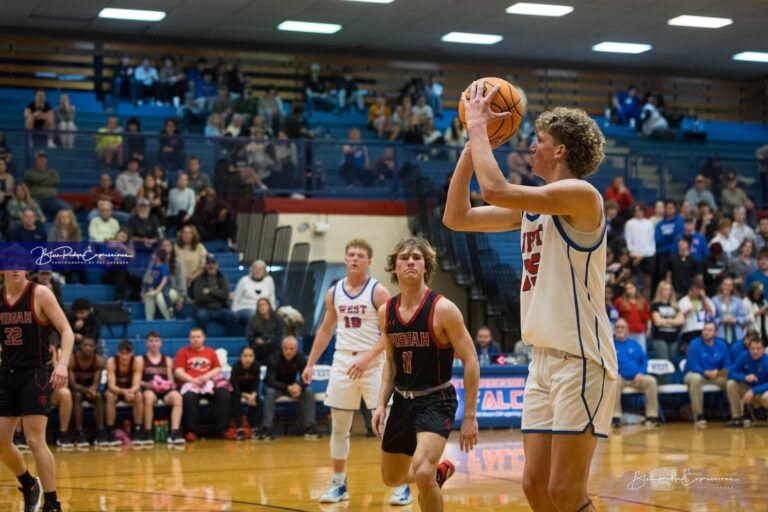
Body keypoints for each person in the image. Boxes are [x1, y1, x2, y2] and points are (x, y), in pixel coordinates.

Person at [443, 91, 619, 512]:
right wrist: (472, 148)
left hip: (582, 359)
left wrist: (479, 128)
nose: (530, 147)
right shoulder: (532, 210)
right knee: (534, 486)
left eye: (538, 140)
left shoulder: (582, 196)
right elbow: (457, 217)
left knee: (565, 491)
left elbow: (494, 188)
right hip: (541, 361)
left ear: (560, 149)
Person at [371, 237, 479, 512]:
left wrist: (470, 416)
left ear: (426, 266)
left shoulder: (443, 309)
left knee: (421, 473)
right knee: (391, 478)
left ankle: (431, 475)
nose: (409, 261)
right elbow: (391, 365)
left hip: (436, 398)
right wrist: (381, 404)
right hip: (402, 401)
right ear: (394, 267)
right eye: (403, 257)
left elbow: (471, 360)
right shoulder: (386, 312)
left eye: (416, 258)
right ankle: (439, 471)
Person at [301, 239, 411, 506]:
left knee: (386, 426)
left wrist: (367, 358)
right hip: (342, 363)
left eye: (360, 255)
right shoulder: (334, 292)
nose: (354, 259)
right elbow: (326, 330)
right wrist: (310, 363)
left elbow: (389, 333)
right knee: (339, 428)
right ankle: (339, 484)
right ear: (345, 259)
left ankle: (402, 484)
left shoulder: (378, 292)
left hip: (373, 366)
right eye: (350, 254)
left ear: (368, 262)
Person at [0, 264, 74, 512]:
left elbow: (67, 331)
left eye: (18, 265)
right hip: (7, 372)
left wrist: (62, 365)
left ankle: (52, 503)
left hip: (35, 373)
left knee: (34, 439)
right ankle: (29, 484)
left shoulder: (40, 293)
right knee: (0, 440)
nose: (14, 270)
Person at [173, 328, 231, 442]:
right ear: (189, 339)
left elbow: (218, 368)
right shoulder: (182, 352)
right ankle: (190, 431)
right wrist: (193, 380)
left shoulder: (210, 352)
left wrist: (207, 376)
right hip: (190, 384)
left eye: (198, 337)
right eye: (193, 337)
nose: (195, 339)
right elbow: (178, 372)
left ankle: (222, 430)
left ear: (204, 338)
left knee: (224, 395)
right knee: (189, 397)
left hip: (209, 383)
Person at [263, 336, 318, 439]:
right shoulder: (273, 359)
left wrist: (298, 386)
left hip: (291, 387)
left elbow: (306, 377)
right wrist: (288, 387)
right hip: (275, 387)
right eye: (285, 348)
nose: (288, 352)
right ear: (282, 348)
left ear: (296, 349)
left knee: (309, 392)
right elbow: (270, 381)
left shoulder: (301, 359)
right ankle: (267, 428)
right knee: (269, 392)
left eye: (291, 349)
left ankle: (309, 427)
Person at [611, 319, 660, 427]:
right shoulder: (610, 345)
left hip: (636, 378)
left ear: (627, 330)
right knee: (612, 383)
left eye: (622, 327)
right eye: (618, 327)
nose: (620, 329)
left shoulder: (635, 344)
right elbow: (606, 362)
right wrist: (614, 373)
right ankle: (616, 418)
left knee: (651, 381)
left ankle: (652, 416)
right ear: (614, 330)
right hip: (619, 379)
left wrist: (641, 373)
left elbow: (644, 360)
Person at [137, 332, 184, 444]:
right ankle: (147, 432)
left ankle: (174, 432)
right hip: (149, 388)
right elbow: (137, 380)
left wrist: (166, 385)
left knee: (177, 397)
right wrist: (147, 384)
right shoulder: (140, 359)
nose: (154, 343)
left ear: (161, 343)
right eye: (151, 340)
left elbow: (171, 380)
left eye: (156, 340)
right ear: (146, 343)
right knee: (148, 397)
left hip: (164, 390)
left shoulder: (167, 359)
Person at [684, 321, 730, 428]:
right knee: (696, 379)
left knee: (731, 381)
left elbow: (728, 363)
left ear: (715, 333)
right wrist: (705, 372)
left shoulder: (722, 345)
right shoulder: (694, 344)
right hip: (695, 373)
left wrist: (719, 372)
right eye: (704, 330)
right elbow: (693, 365)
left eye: (709, 330)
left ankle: (738, 414)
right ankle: (698, 415)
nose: (706, 332)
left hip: (715, 375)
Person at [104, 340, 147, 444]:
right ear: (118, 353)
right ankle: (110, 430)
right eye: (122, 353)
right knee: (110, 396)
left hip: (129, 390)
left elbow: (136, 384)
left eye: (127, 354)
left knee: (139, 396)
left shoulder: (137, 362)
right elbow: (111, 386)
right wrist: (124, 392)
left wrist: (131, 392)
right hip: (115, 390)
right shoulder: (111, 361)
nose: (124, 357)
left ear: (132, 353)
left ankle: (137, 429)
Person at [67, 336, 106, 447]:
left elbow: (96, 383)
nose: (88, 348)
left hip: (90, 391)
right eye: (85, 345)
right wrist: (87, 390)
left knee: (98, 396)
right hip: (77, 391)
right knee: (77, 396)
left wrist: (92, 389)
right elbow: (72, 384)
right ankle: (79, 433)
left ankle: (101, 432)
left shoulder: (98, 360)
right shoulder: (72, 359)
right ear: (80, 347)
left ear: (94, 348)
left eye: (91, 346)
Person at [725, 336, 768, 428]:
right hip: (747, 390)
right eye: (752, 348)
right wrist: (744, 377)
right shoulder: (743, 356)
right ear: (749, 348)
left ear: (764, 349)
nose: (755, 351)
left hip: (762, 392)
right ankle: (737, 418)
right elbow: (730, 373)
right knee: (731, 384)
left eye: (758, 349)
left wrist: (753, 391)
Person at [191, 254, 237, 336]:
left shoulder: (222, 278)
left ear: (217, 264)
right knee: (202, 316)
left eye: (213, 263)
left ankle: (227, 339)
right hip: (203, 308)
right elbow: (199, 297)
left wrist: (210, 291)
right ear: (205, 265)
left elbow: (225, 295)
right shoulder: (199, 279)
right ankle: (203, 340)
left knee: (234, 316)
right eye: (209, 263)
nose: (211, 266)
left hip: (220, 309)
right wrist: (218, 294)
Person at [230, 346, 261, 440]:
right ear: (241, 357)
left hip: (250, 391)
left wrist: (253, 394)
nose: (248, 359)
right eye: (245, 356)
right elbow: (234, 387)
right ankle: (239, 428)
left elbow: (256, 383)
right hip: (238, 391)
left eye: (250, 356)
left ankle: (254, 428)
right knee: (234, 400)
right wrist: (245, 395)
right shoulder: (236, 367)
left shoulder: (256, 367)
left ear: (254, 357)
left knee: (257, 401)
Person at [232, 260, 276, 327]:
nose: (257, 271)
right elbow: (236, 298)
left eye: (260, 269)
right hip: (245, 308)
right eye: (255, 268)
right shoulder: (244, 280)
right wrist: (233, 312)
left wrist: (273, 311)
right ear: (251, 270)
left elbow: (272, 297)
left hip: (264, 308)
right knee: (257, 315)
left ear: (264, 271)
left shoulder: (269, 280)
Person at [649, 282, 684, 362]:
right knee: (664, 361)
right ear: (660, 291)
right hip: (659, 337)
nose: (668, 292)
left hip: (673, 338)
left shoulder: (675, 306)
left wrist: (666, 321)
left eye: (669, 290)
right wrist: (673, 321)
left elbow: (681, 320)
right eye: (665, 289)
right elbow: (658, 322)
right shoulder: (655, 305)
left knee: (671, 362)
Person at [712, 276, 746, 347]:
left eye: (729, 285)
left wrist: (735, 320)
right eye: (725, 284)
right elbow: (711, 317)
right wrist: (721, 320)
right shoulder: (714, 300)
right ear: (721, 285)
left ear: (732, 287)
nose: (727, 287)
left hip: (736, 331)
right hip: (720, 332)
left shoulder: (738, 300)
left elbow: (743, 316)